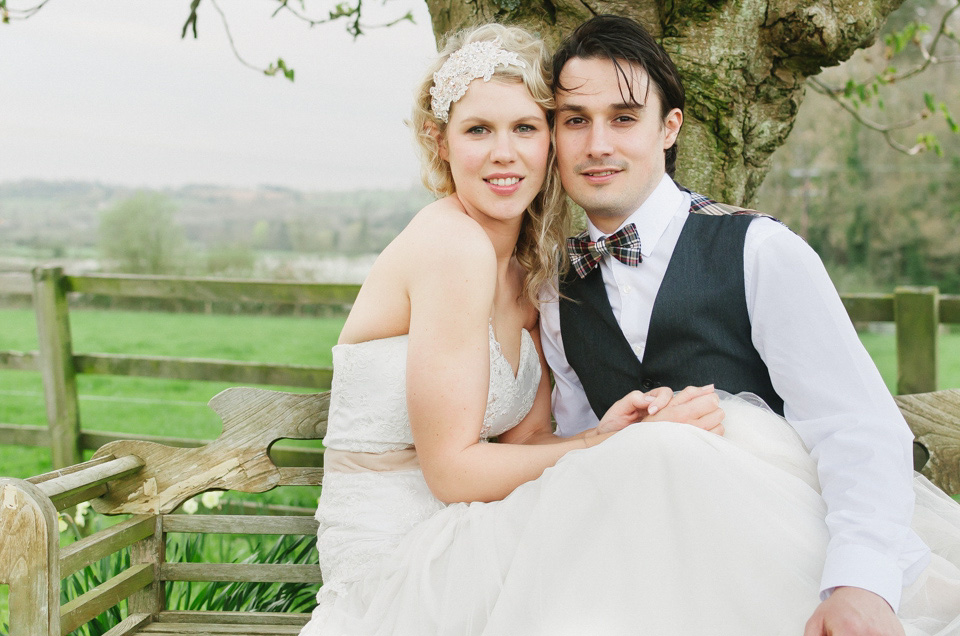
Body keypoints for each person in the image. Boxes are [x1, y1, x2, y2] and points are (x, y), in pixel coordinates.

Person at [538, 14, 960, 636]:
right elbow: (584, 459)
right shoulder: (555, 292)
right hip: (644, 580)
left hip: (788, 567)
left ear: (669, 127)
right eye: (576, 119)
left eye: (624, 117)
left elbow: (857, 428)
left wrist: (860, 586)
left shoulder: (759, 250)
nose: (598, 143)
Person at [299, 22, 726, 636]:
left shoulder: (528, 271)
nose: (505, 153)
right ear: (439, 141)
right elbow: (451, 472)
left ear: (550, 141)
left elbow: (523, 445)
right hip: (398, 561)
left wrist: (613, 430)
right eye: (478, 130)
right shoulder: (452, 245)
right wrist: (601, 448)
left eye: (525, 128)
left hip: (466, 531)